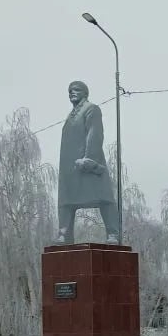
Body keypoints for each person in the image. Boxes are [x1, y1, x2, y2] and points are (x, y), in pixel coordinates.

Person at [56, 80, 120, 244]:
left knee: (104, 198)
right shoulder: (70, 116)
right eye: (70, 90)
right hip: (69, 168)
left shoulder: (91, 109)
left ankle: (113, 233)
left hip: (88, 163)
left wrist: (89, 159)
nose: (72, 93)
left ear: (85, 93)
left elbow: (95, 133)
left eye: (76, 90)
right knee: (66, 201)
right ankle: (65, 233)